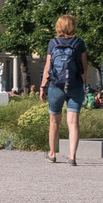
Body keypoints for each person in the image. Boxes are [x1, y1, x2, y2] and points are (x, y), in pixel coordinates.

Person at [40, 13, 88, 165]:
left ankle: (52, 153)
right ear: (72, 26)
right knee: (73, 122)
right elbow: (84, 67)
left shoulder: (53, 43)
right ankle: (72, 157)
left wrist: (42, 86)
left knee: (54, 121)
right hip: (75, 86)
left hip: (56, 86)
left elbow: (48, 67)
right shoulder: (79, 43)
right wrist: (81, 82)